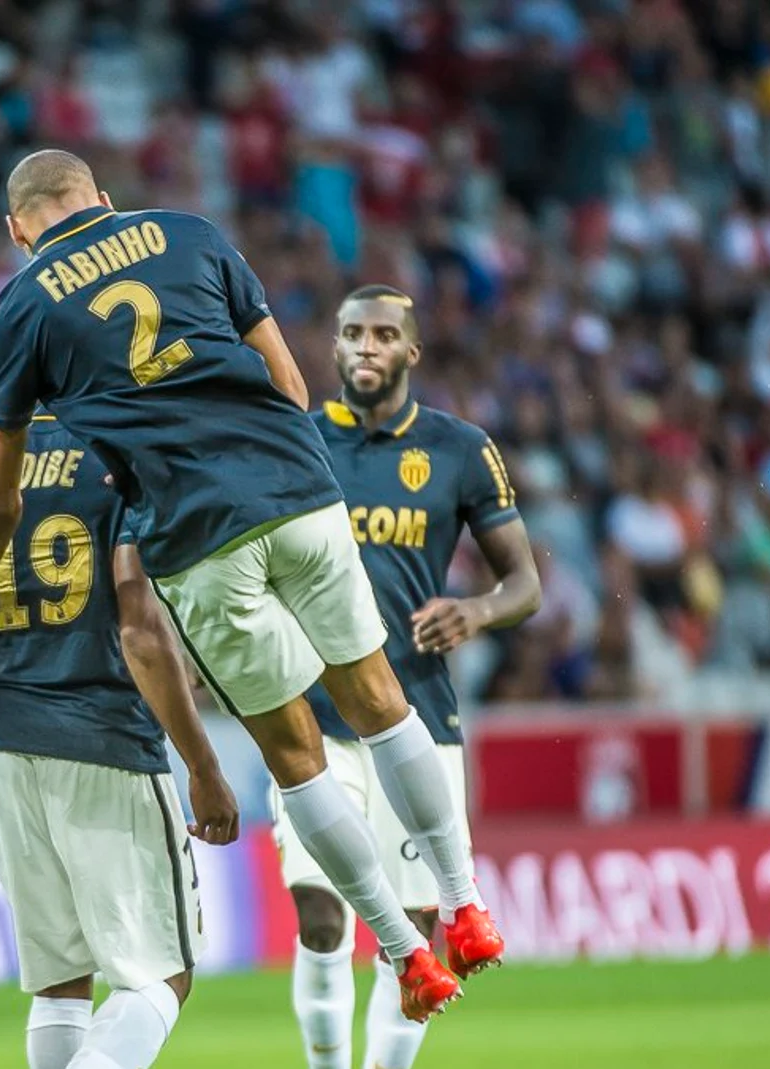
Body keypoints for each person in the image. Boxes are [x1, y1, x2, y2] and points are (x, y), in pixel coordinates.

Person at [0, 149, 485, 1019]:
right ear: (105, 201)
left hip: (197, 536)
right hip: (301, 492)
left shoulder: (20, 307)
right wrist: (298, 473)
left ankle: (403, 952)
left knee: (297, 761)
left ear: (18, 231)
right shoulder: (189, 233)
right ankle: (465, 903)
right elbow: (288, 378)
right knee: (382, 700)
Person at [0, 413, 240, 1069]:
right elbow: (139, 631)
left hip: (2, 749)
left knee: (61, 980)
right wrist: (202, 763)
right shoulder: (127, 452)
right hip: (106, 740)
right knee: (161, 974)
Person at [282, 285, 540, 1069]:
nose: (366, 346)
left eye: (383, 334)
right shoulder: (296, 440)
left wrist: (475, 612)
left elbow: (524, 582)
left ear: (410, 351)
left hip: (417, 717)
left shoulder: (459, 448)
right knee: (321, 912)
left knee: (420, 924)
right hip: (314, 718)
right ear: (333, 347)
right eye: (353, 332)